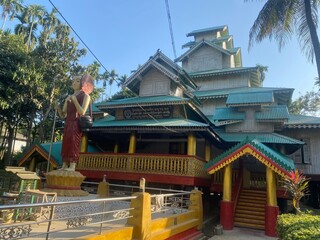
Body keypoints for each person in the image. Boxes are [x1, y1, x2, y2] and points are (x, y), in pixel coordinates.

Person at [55, 74, 94, 171]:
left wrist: (75, 100)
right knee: (66, 143)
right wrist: (58, 108)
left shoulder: (85, 96)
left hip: (76, 123)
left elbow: (82, 112)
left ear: (82, 83)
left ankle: (72, 165)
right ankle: (64, 164)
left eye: (77, 80)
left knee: (73, 143)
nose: (74, 82)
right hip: (68, 123)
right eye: (73, 81)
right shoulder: (69, 97)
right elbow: (63, 115)